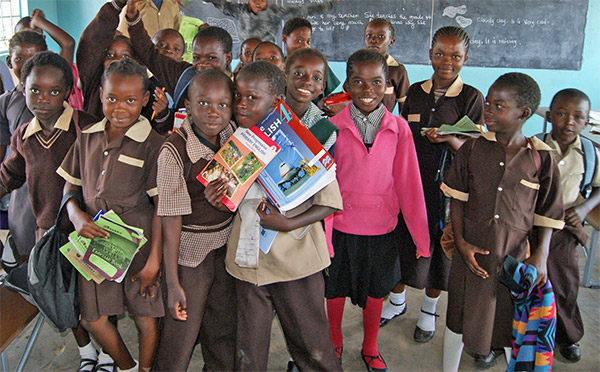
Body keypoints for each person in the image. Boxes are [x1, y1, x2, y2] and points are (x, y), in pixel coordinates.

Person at [208, 60, 342, 371]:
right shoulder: (235, 139)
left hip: (295, 259)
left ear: (276, 101)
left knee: (312, 345)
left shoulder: (298, 140)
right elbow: (228, 199)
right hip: (248, 259)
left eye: (252, 97)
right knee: (249, 348)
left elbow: (331, 203)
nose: (241, 104)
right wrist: (215, 198)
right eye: (237, 96)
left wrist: (288, 222)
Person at [440, 72, 564, 371]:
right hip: (470, 252)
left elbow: (547, 214)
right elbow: (457, 200)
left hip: (512, 258)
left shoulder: (541, 158)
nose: (489, 111)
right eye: (488, 103)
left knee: (511, 324)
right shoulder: (471, 148)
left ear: (524, 113)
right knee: (458, 318)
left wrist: (541, 255)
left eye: (499, 106)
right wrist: (461, 242)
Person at [325, 49, 430, 372]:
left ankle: (370, 346)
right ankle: (334, 343)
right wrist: (326, 235)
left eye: (376, 82)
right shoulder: (332, 128)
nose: (367, 90)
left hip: (381, 229)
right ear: (347, 84)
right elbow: (325, 185)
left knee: (376, 291)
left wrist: (421, 238)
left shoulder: (399, 129)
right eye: (358, 82)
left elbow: (409, 184)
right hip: (341, 227)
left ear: (388, 85)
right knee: (334, 289)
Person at [58, 59, 165, 372]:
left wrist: (154, 262)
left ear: (145, 100)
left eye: (131, 100)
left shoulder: (154, 144)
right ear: (101, 95)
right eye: (111, 98)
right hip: (93, 241)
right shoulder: (86, 137)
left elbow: (162, 209)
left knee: (145, 316)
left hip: (139, 245)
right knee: (93, 317)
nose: (120, 107)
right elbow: (70, 188)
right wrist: (76, 216)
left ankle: (145, 369)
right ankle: (126, 366)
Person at [380, 26, 484, 343]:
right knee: (403, 239)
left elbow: (475, 151)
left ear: (466, 59)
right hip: (411, 181)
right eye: (440, 53)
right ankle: (397, 301)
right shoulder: (415, 93)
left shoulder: (471, 97)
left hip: (447, 188)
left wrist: (451, 139)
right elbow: (404, 135)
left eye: (455, 56)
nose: (446, 62)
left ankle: (428, 309)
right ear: (430, 55)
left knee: (439, 247)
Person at [0, 51, 100, 372]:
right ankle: (87, 352)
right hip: (48, 235)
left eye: (54, 91)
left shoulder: (84, 128)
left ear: (68, 91)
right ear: (23, 88)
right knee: (62, 299)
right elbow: (9, 175)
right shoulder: (23, 136)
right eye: (34, 90)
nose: (43, 99)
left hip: (86, 230)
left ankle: (110, 351)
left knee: (95, 300)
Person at [154, 69, 236, 371]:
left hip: (225, 246)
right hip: (191, 255)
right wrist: (173, 281)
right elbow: (171, 218)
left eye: (222, 104)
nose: (213, 112)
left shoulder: (232, 135)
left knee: (223, 327)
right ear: (187, 105)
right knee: (181, 334)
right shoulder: (174, 151)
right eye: (203, 103)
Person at [539, 88, 600, 362]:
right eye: (562, 114)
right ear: (550, 116)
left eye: (578, 117)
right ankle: (515, 335)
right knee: (529, 282)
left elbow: (597, 187)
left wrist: (584, 207)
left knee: (564, 284)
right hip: (534, 224)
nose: (569, 122)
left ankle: (567, 337)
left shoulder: (589, 152)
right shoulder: (535, 145)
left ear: (587, 122)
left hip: (566, 227)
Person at [77, 0, 171, 134]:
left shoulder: (144, 87)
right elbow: (90, 43)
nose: (116, 60)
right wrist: (117, 4)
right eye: (109, 55)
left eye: (125, 56)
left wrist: (162, 114)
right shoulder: (93, 83)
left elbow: (157, 131)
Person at [127, 0, 233, 110]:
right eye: (196, 58)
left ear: (228, 58)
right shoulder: (182, 75)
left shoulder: (237, 89)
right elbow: (148, 53)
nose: (202, 64)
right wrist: (132, 16)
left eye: (211, 58)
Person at [0, 31, 45, 263]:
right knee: (24, 249)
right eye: (20, 59)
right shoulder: (6, 102)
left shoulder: (52, 100)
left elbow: (68, 44)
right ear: (10, 62)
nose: (28, 66)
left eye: (35, 58)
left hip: (50, 186)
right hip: (20, 185)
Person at [14, 9, 84, 111]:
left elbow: (68, 44)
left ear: (43, 37)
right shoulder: (11, 97)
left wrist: (41, 22)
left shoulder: (54, 65)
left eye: (34, 35)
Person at [203, 0, 338, 42]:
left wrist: (329, 4)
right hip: (246, 55)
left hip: (267, 54)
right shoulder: (240, 10)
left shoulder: (275, 12)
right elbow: (221, 4)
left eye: (261, 0)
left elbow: (302, 10)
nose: (257, 3)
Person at [284, 48, 337, 153]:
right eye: (299, 74)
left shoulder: (326, 131)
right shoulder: (267, 113)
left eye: (316, 78)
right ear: (285, 78)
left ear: (322, 87)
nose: (308, 81)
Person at [281, 17, 340, 106]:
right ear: (285, 39)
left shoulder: (318, 65)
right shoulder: (279, 66)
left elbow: (329, 96)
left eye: (308, 41)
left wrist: (324, 104)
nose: (305, 46)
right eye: (299, 40)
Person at [364, 18, 409, 113]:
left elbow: (404, 107)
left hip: (385, 125)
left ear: (391, 42)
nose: (373, 40)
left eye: (380, 36)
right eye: (369, 35)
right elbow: (345, 97)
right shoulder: (357, 67)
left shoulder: (397, 71)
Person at [117, 0, 181, 38]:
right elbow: (124, 35)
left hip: (161, 58)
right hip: (138, 56)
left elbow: (175, 32)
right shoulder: (132, 4)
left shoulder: (172, 4)